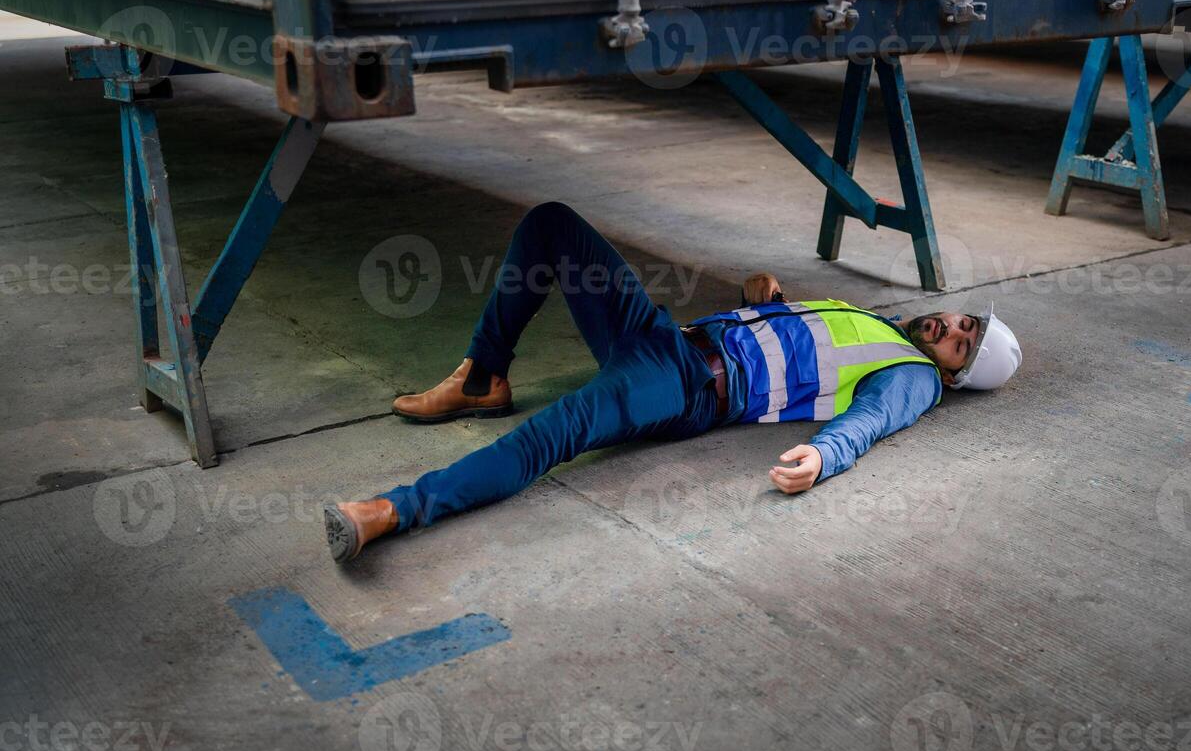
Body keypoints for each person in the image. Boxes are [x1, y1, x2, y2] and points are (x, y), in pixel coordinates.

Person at [324, 202, 1021, 561]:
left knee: (554, 434)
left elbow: (870, 422)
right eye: (965, 323)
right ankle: (484, 375)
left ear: (954, 378)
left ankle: (394, 510)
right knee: (552, 226)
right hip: (665, 337)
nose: (952, 333)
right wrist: (767, 299)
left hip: (686, 388)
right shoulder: (875, 322)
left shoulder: (914, 380)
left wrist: (825, 455)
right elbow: (801, 353)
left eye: (964, 348)